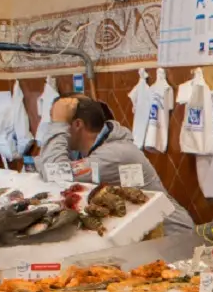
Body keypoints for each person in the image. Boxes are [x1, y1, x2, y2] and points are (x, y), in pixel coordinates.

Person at [38, 94, 195, 235]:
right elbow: (45, 163)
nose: (56, 130)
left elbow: (52, 172)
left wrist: (58, 125)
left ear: (77, 125)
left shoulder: (114, 154)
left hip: (172, 237)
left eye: (60, 124)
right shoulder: (93, 149)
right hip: (143, 234)